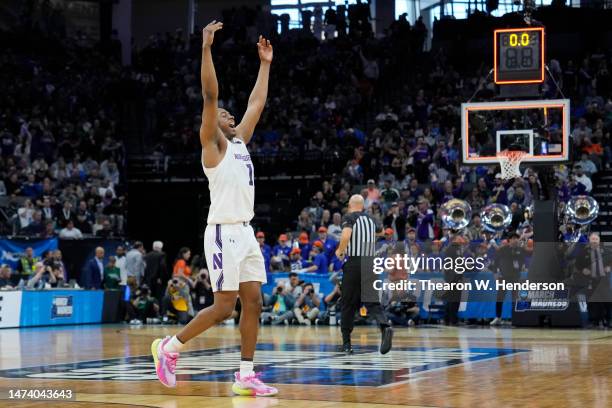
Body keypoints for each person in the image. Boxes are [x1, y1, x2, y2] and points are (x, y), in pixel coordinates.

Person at [151, 22, 277, 397]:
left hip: (246, 232)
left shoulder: (240, 142)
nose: (230, 116)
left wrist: (265, 64)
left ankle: (245, 374)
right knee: (224, 307)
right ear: (212, 124)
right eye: (224, 115)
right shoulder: (214, 146)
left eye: (230, 115)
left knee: (253, 302)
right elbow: (210, 94)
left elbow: (256, 103)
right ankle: (169, 348)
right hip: (222, 231)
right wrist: (206, 49)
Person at [335, 194, 393, 355]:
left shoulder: (349, 217)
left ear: (350, 205)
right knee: (372, 301)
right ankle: (385, 326)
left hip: (355, 263)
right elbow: (382, 233)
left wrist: (340, 251)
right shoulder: (371, 219)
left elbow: (346, 235)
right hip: (370, 263)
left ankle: (346, 344)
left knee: (348, 303)